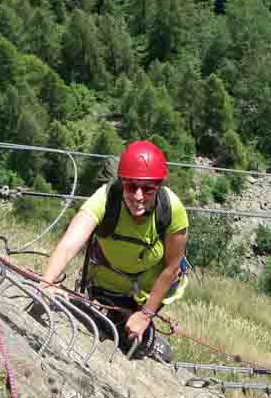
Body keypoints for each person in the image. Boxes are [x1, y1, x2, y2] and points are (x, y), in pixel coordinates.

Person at [40, 140, 188, 359]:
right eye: (131, 187)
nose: (138, 196)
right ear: (122, 183)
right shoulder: (105, 199)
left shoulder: (171, 209)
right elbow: (71, 242)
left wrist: (146, 315)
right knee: (111, 327)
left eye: (148, 189)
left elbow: (172, 267)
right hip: (108, 281)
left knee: (135, 341)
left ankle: (144, 334)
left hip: (149, 288)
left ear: (159, 187)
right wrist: (46, 283)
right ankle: (120, 319)